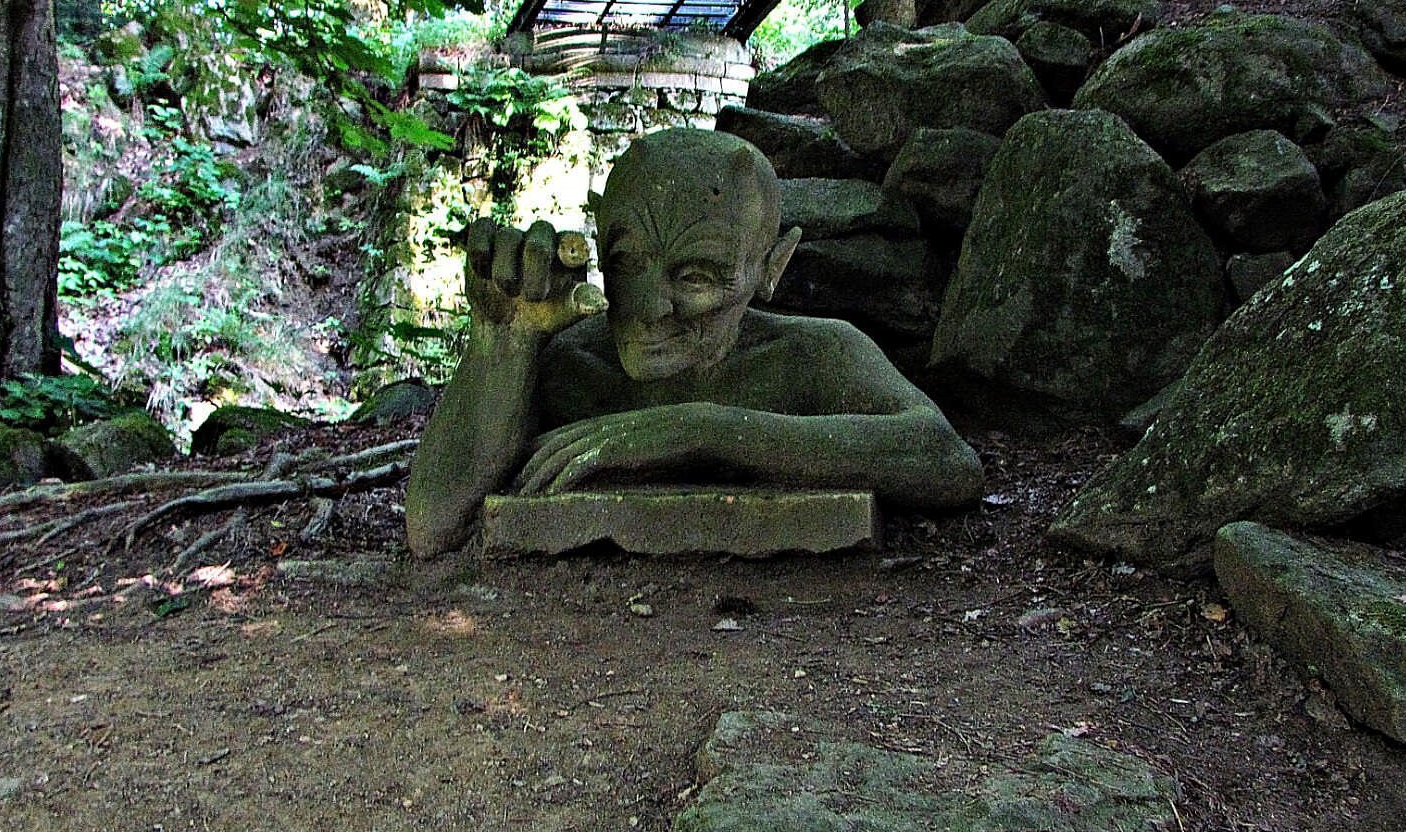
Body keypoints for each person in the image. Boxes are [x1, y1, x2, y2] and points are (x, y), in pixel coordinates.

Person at [405, 127, 983, 557]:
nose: (651, 308)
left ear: (772, 266)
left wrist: (701, 430)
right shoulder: (570, 362)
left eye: (698, 276)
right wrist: (500, 346)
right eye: (627, 262)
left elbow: (944, 459)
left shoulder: (813, 355)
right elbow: (434, 525)